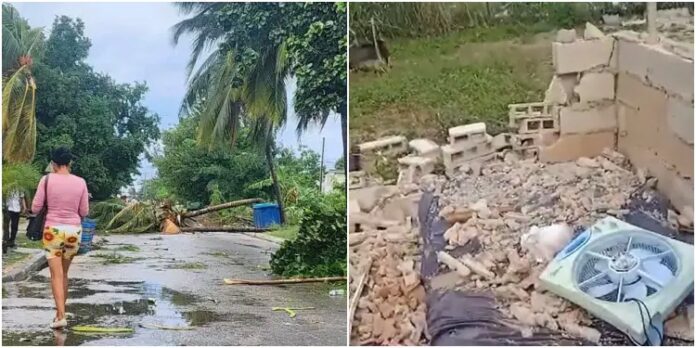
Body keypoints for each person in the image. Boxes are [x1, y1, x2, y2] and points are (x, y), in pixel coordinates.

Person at [32, 147, 89, 330]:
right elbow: (84, 212)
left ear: (53, 163)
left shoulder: (46, 180)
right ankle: (59, 313)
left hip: (53, 231)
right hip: (73, 231)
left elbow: (35, 208)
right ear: (69, 162)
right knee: (64, 274)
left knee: (55, 275)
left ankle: (61, 315)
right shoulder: (80, 182)